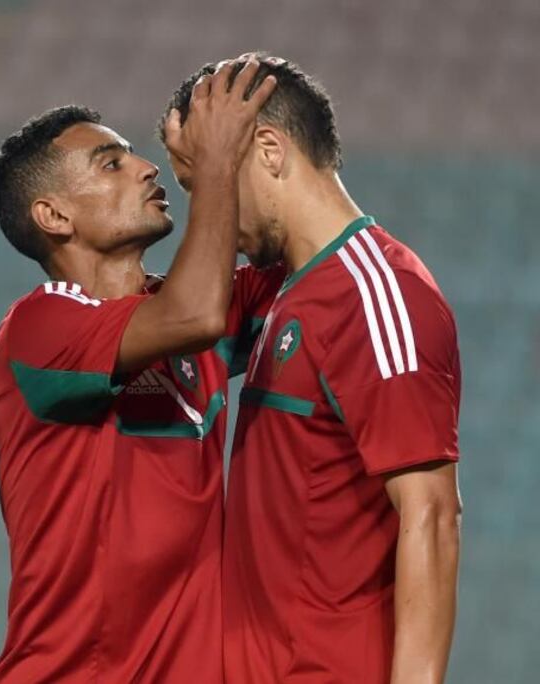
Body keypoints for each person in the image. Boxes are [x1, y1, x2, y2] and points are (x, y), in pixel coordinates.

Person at [162, 55, 462, 684]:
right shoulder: (281, 288)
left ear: (269, 150)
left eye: (206, 183)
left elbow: (430, 516)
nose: (205, 208)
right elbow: (171, 314)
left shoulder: (378, 294)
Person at [0, 60, 279, 682]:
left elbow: (300, 252)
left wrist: (240, 156)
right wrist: (217, 162)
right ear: (54, 217)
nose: (146, 168)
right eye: (111, 164)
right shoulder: (39, 328)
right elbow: (196, 313)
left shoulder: (182, 310)